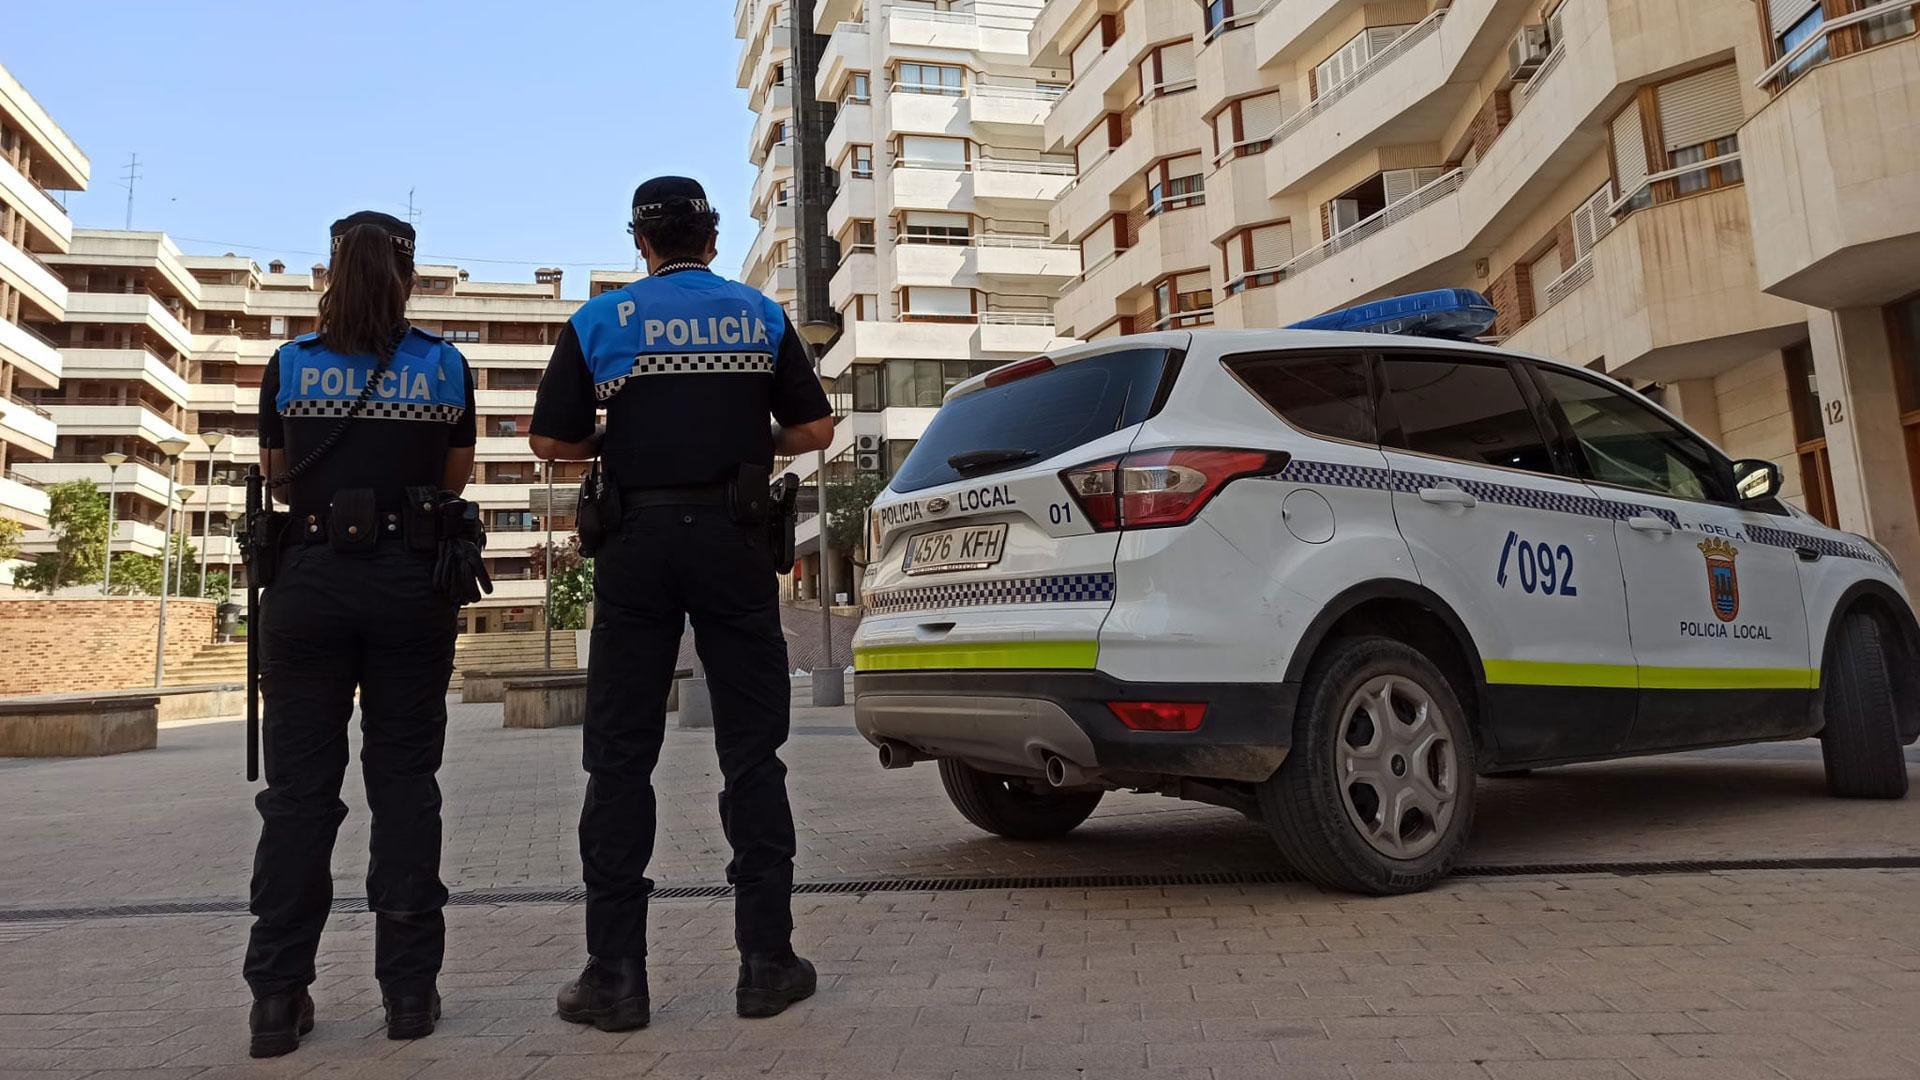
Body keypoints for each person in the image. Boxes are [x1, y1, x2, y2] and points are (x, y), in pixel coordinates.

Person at [529, 176, 834, 1031]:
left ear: (642, 245)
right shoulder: (758, 315)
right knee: (753, 752)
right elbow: (813, 433)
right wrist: (751, 437)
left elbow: (552, 439)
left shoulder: (600, 322)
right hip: (734, 538)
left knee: (620, 757)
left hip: (636, 543)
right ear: (710, 239)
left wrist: (609, 437)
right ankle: (766, 965)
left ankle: (616, 977)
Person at [243, 211, 479, 1058]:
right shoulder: (445, 367)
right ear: (410, 278)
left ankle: (277, 996)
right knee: (406, 786)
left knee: (298, 797)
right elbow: (452, 478)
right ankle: (409, 994)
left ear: (330, 272)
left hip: (306, 586)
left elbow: (276, 475)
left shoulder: (290, 365)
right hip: (408, 586)